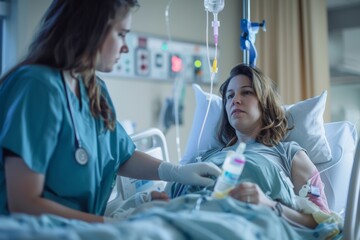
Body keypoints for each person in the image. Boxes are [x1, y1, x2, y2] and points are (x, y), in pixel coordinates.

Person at [0, 0, 221, 223]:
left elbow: (121, 156)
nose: (126, 47)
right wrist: (112, 224)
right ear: (90, 29)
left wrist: (175, 171)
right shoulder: (36, 87)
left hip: (79, 230)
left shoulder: (94, 89)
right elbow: (24, 204)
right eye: (121, 34)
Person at [167, 64, 334, 229]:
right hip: (181, 222)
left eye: (246, 92)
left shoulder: (289, 154)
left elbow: (324, 221)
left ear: (265, 103)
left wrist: (270, 205)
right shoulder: (205, 157)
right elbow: (168, 198)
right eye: (230, 96)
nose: (235, 100)